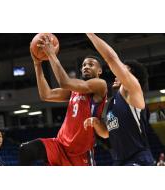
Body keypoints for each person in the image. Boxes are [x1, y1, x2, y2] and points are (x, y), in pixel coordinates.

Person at [19, 34, 107, 166]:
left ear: (99, 70)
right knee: (26, 150)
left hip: (81, 151)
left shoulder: (100, 85)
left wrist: (51, 54)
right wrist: (37, 64)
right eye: (83, 65)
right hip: (60, 145)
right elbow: (46, 95)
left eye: (91, 64)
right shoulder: (74, 90)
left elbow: (64, 82)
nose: (86, 67)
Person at [84, 33, 154, 166]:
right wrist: (97, 123)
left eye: (121, 72)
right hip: (119, 161)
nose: (116, 75)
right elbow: (106, 133)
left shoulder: (132, 91)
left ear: (133, 78)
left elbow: (111, 58)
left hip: (138, 159)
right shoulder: (112, 103)